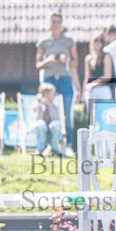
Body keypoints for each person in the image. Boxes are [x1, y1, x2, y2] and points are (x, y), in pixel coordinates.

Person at [36, 11, 80, 151]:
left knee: (67, 112)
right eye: (53, 21)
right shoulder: (43, 42)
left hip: (65, 79)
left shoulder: (69, 41)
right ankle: (49, 142)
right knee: (47, 109)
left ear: (61, 24)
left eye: (57, 22)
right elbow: (37, 65)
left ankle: (68, 144)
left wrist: (66, 60)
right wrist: (47, 62)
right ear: (49, 23)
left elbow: (75, 63)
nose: (55, 24)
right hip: (49, 80)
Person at [83, 31, 115, 112]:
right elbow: (87, 78)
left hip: (103, 90)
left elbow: (107, 76)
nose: (98, 43)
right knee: (92, 120)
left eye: (100, 40)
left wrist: (92, 85)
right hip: (91, 92)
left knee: (104, 117)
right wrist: (83, 97)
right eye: (96, 40)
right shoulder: (88, 58)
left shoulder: (106, 56)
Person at [32, 82, 64, 156]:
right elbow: (37, 118)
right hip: (40, 130)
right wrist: (41, 104)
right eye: (53, 94)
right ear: (46, 94)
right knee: (40, 124)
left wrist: (49, 105)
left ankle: (55, 148)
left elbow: (55, 119)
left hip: (52, 130)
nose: (54, 95)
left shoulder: (54, 105)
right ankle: (40, 149)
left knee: (57, 125)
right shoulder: (36, 104)